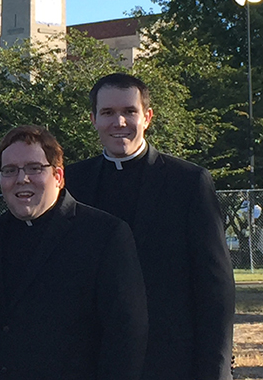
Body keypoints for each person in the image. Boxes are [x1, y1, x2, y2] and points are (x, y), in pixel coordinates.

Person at [66, 73, 235, 380]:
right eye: (108, 113)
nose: (119, 123)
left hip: (169, 360)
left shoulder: (188, 182)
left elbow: (216, 288)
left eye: (129, 111)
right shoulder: (72, 182)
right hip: (92, 360)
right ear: (93, 119)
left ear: (147, 117)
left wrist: (216, 370)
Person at [0, 125, 148, 379]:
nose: (22, 178)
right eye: (10, 170)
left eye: (34, 168)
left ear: (58, 175)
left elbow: (126, 334)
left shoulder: (105, 235)